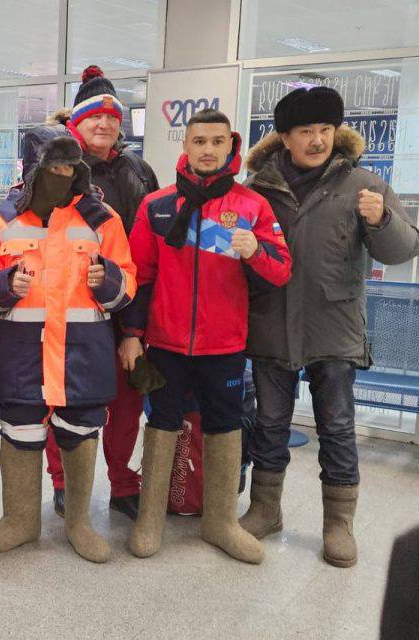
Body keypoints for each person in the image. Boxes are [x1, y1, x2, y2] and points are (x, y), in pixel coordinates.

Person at [240, 86, 419, 568]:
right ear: (283, 137)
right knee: (271, 424)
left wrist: (382, 223)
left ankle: (338, 524)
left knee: (337, 429)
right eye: (306, 131)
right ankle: (264, 508)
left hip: (334, 330)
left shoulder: (364, 184)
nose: (317, 140)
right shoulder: (256, 190)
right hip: (272, 326)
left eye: (325, 130)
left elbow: (403, 251)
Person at [120, 109, 292, 565]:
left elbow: (281, 270)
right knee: (161, 423)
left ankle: (220, 522)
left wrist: (256, 252)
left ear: (230, 146)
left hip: (225, 346)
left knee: (224, 426)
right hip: (166, 345)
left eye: (217, 141)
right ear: (186, 147)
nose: (208, 150)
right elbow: (140, 275)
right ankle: (150, 518)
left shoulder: (252, 206)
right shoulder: (157, 205)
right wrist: (133, 335)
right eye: (199, 141)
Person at [0, 135, 136, 563]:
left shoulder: (102, 219)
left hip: (83, 353)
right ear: (31, 169)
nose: (61, 176)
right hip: (20, 354)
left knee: (81, 431)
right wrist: (3, 286)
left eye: (68, 168)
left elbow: (130, 280)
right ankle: (20, 521)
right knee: (19, 431)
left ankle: (79, 522)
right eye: (52, 168)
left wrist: (112, 282)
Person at [40, 65, 159, 520]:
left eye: (113, 116)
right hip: (68, 308)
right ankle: (65, 481)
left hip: (128, 304)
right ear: (76, 122)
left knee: (127, 402)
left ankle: (124, 483)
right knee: (65, 400)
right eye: (95, 116)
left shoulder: (139, 170)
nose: (105, 124)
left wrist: (135, 326)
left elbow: (149, 253)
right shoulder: (56, 170)